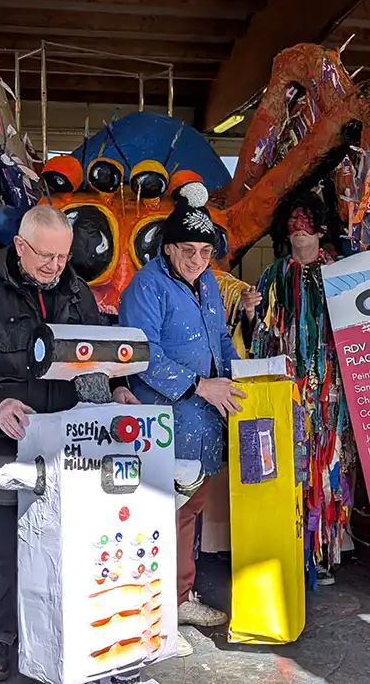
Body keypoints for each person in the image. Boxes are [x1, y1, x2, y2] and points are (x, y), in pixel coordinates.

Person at [0, 205, 137, 682]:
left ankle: (63, 631)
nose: (54, 267)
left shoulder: (76, 292)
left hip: (63, 445)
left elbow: (93, 359)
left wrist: (114, 389)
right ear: (21, 247)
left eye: (63, 257)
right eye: (45, 256)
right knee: (1, 552)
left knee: (63, 544)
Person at [118, 186, 244, 654]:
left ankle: (180, 597)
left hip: (205, 422)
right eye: (187, 251)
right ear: (167, 248)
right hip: (167, 421)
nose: (196, 260)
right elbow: (139, 354)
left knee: (189, 511)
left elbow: (221, 342)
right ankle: (157, 612)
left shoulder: (208, 282)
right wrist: (198, 387)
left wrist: (241, 373)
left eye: (205, 251)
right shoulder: (145, 287)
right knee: (163, 517)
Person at [240, 189, 355, 586]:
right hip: (291, 389)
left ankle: (326, 552)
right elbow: (260, 340)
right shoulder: (273, 276)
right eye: (293, 227)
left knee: (328, 465)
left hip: (331, 391)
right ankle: (295, 547)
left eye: (306, 226)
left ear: (321, 231)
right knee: (295, 466)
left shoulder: (341, 274)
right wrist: (253, 313)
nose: (299, 234)